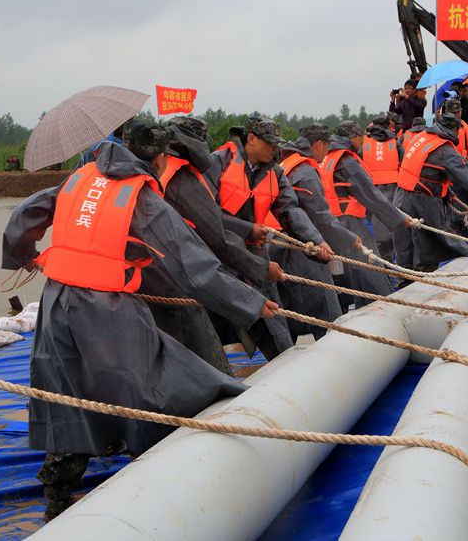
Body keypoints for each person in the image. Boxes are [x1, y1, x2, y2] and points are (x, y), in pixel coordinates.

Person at [1, 119, 278, 521]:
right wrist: (251, 303)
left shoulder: (81, 177)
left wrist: (22, 254)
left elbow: (25, 214)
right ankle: (158, 484)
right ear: (162, 157)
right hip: (104, 309)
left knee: (65, 390)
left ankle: (58, 497)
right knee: (149, 382)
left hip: (56, 304)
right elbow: (193, 264)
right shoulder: (141, 196)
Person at [143, 115, 284, 372]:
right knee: (209, 358)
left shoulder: (163, 171)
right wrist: (262, 268)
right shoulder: (185, 178)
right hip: (191, 276)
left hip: (159, 275)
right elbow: (217, 235)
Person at [205, 116, 332, 359]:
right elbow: (205, 214)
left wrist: (316, 242)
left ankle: (284, 367)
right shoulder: (217, 163)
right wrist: (246, 228)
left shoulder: (274, 172)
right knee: (217, 329)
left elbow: (291, 211)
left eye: (277, 143)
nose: (275, 149)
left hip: (255, 256)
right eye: (270, 143)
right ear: (250, 139)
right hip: (219, 257)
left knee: (274, 323)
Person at [276, 123, 355, 338]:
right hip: (303, 246)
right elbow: (320, 216)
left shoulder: (286, 163)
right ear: (318, 145)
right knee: (325, 309)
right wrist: (349, 239)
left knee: (291, 309)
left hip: (280, 244)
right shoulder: (306, 172)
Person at [395, 112, 468, 270]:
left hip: (401, 194)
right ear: (455, 129)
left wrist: (447, 193)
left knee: (409, 238)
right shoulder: (445, 150)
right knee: (437, 236)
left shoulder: (421, 137)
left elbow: (424, 170)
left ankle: (407, 275)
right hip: (422, 198)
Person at [322, 120, 411, 306]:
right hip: (349, 221)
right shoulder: (347, 161)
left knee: (348, 271)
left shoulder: (329, 157)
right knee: (370, 267)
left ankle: (356, 306)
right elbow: (370, 195)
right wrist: (400, 218)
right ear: (353, 137)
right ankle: (383, 307)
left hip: (332, 222)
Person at [361, 115, 404, 261]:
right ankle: (388, 259)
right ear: (389, 127)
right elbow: (403, 162)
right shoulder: (394, 141)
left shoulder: (365, 144)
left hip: (371, 187)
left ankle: (379, 256)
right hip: (392, 185)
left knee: (375, 223)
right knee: (391, 222)